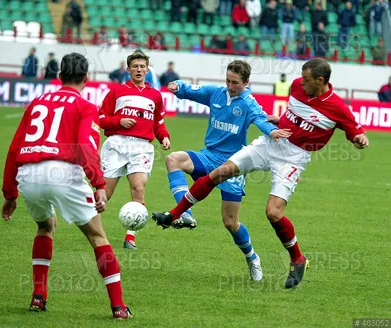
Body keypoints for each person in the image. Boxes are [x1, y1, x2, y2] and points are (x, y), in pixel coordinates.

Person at [152, 58, 369, 289]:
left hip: (293, 157)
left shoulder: (338, 107)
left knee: (273, 213)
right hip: (269, 144)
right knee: (220, 172)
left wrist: (359, 139)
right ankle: (175, 215)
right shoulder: (297, 86)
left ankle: (298, 259)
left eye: (306, 79)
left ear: (320, 81)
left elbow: (354, 131)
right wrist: (280, 122)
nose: (300, 82)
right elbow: (294, 113)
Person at [1, 53, 132, 319]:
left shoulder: (36, 102)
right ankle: (118, 307)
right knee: (98, 236)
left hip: (29, 174)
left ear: (59, 77)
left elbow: (14, 149)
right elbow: (86, 147)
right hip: (62, 171)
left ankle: (39, 296)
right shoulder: (85, 106)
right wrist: (98, 185)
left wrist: (10, 193)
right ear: (86, 78)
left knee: (45, 226)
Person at [159, 60, 292, 281]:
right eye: (228, 80)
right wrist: (177, 86)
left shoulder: (249, 103)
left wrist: (272, 132)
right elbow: (192, 91)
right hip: (209, 156)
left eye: (235, 83)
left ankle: (252, 257)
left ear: (247, 82)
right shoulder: (216, 93)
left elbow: (261, 119)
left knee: (231, 223)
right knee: (173, 159)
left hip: (232, 165)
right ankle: (185, 214)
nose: (230, 86)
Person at [99, 50, 171, 250]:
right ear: (128, 69)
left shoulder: (155, 96)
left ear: (147, 70)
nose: (139, 70)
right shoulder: (116, 92)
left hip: (142, 147)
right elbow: (101, 119)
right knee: (105, 193)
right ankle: (93, 230)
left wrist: (164, 136)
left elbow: (158, 122)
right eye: (135, 66)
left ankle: (130, 237)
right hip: (117, 144)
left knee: (138, 188)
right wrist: (119, 121)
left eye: (142, 66)